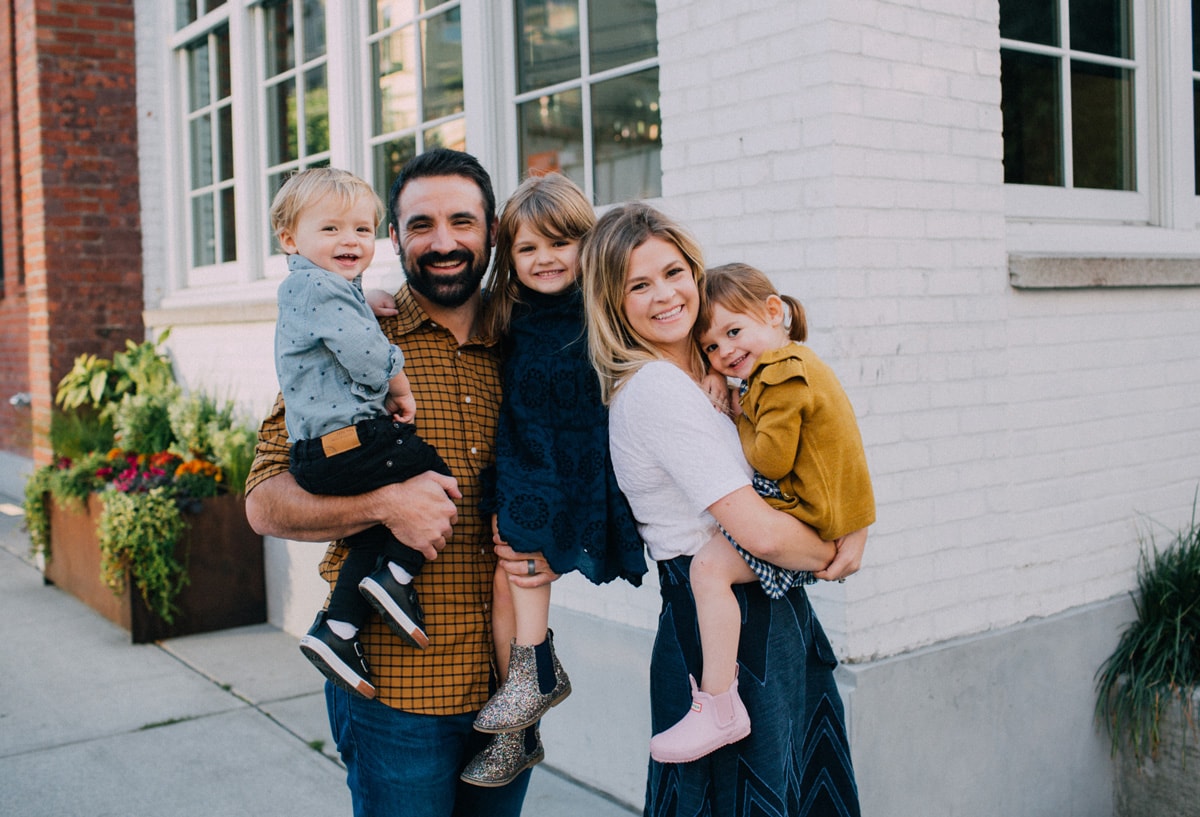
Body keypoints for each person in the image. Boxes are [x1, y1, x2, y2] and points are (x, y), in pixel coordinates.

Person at [245, 149, 545, 817]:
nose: (443, 242)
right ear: (395, 237)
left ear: (491, 231)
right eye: (421, 224)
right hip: (394, 695)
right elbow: (265, 501)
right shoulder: (350, 335)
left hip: (508, 689)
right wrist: (384, 502)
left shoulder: (530, 344)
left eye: (462, 221)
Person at [579, 202, 866, 816]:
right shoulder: (655, 390)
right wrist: (836, 550)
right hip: (722, 640)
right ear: (613, 301)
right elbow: (760, 532)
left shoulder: (718, 374)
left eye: (674, 271)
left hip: (768, 617)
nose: (665, 295)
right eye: (639, 284)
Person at [643, 261, 875, 762]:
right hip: (822, 508)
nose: (726, 351)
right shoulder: (792, 363)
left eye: (733, 332)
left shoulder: (778, 377)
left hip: (806, 513)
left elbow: (769, 457)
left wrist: (735, 409)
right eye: (711, 346)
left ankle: (719, 706)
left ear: (774, 313)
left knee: (708, 568)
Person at [460, 173, 646, 786]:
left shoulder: (602, 308)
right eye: (528, 248)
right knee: (502, 581)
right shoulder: (506, 312)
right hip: (524, 457)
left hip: (572, 465)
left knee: (521, 558)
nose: (545, 259)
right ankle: (523, 721)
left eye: (560, 243)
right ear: (508, 257)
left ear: (586, 244)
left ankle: (536, 672)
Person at [269, 167, 453, 700]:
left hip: (323, 453)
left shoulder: (319, 289)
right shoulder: (319, 290)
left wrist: (360, 297)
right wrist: (400, 384)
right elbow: (369, 357)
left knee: (372, 530)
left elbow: (337, 308)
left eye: (360, 229)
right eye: (330, 230)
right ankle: (397, 575)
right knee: (437, 479)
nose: (349, 240)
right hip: (350, 440)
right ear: (290, 238)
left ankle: (339, 630)